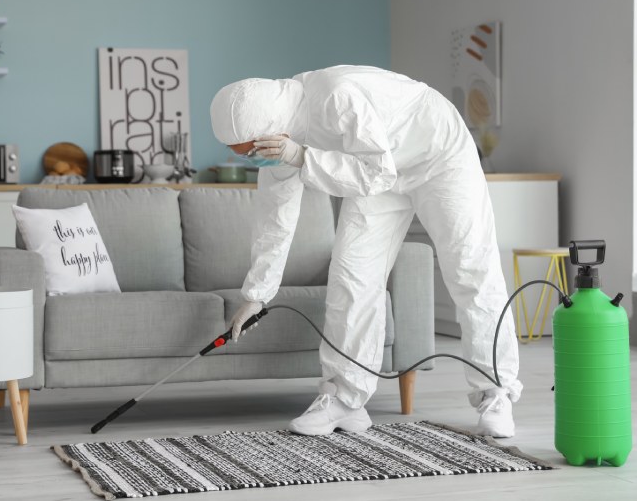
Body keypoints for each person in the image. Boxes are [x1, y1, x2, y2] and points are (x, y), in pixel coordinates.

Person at [209, 65, 522, 438]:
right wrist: (257, 295)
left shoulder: (336, 96)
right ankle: (344, 400)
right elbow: (275, 218)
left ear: (267, 130)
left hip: (437, 153)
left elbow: (378, 172)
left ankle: (496, 391)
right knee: (351, 276)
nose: (250, 159)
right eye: (242, 154)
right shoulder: (279, 141)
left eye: (249, 151)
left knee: (471, 268)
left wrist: (302, 157)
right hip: (375, 169)